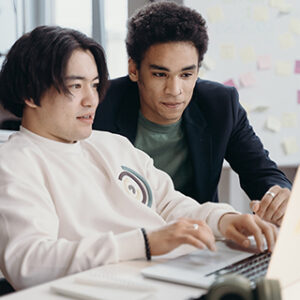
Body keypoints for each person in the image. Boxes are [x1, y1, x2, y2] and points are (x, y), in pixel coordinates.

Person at [0, 25, 277, 291]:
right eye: (75, 86)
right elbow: (29, 263)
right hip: (114, 287)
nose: (91, 100)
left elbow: (169, 204)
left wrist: (224, 220)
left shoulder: (112, 145)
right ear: (30, 93)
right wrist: (145, 242)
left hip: (164, 276)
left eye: (95, 85)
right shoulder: (15, 162)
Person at [93, 1, 291, 227]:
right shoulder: (99, 106)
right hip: (123, 240)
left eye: (186, 75)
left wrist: (280, 197)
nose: (174, 90)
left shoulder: (220, 105)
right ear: (134, 70)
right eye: (160, 74)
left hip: (198, 241)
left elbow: (262, 173)